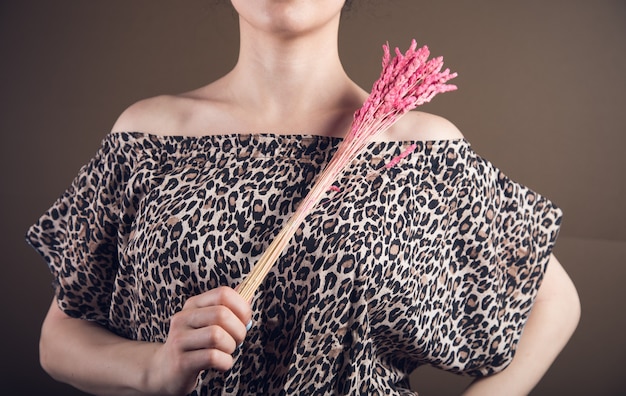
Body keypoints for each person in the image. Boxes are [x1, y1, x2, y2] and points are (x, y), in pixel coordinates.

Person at [26, 1, 580, 395]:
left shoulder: (417, 147)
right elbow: (60, 336)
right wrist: (155, 367)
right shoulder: (148, 134)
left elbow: (555, 302)